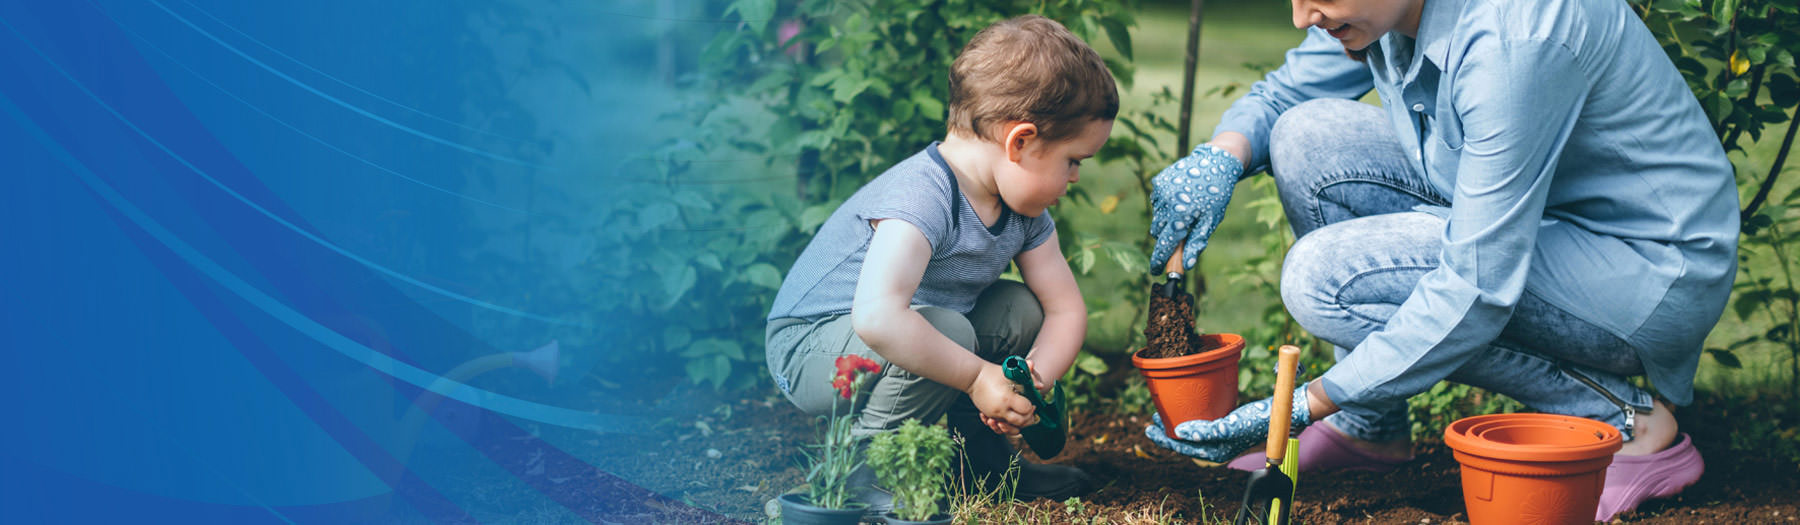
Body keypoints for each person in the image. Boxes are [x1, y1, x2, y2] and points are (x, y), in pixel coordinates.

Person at [1141, 0, 1735, 520]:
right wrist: (1222, 156)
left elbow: (1477, 285)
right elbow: (1287, 94)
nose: (1302, 16)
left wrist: (1309, 401)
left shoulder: (1514, 36)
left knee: (1322, 279)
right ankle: (1370, 429)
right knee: (1304, 135)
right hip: (1544, 224)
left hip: (1644, 272)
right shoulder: (1389, 11)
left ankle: (1627, 422)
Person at [765, 14, 1115, 514]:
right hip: (809, 347)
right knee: (948, 332)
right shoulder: (923, 197)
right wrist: (977, 379)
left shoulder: (1023, 210)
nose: (1076, 177)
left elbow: (1064, 311)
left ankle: (983, 465)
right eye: (1073, 161)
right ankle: (861, 475)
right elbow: (878, 317)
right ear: (1020, 142)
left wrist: (1031, 380)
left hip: (903, 328)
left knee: (1019, 308)